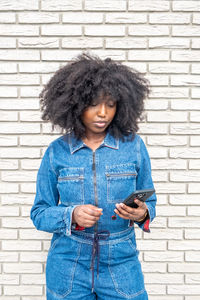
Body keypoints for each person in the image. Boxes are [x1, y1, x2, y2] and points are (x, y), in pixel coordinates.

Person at [30, 53, 157, 300]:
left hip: (121, 262)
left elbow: (149, 202)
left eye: (110, 104)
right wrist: (71, 214)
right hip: (69, 262)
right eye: (94, 104)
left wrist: (142, 213)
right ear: (75, 104)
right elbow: (39, 213)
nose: (102, 113)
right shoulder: (57, 152)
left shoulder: (134, 147)